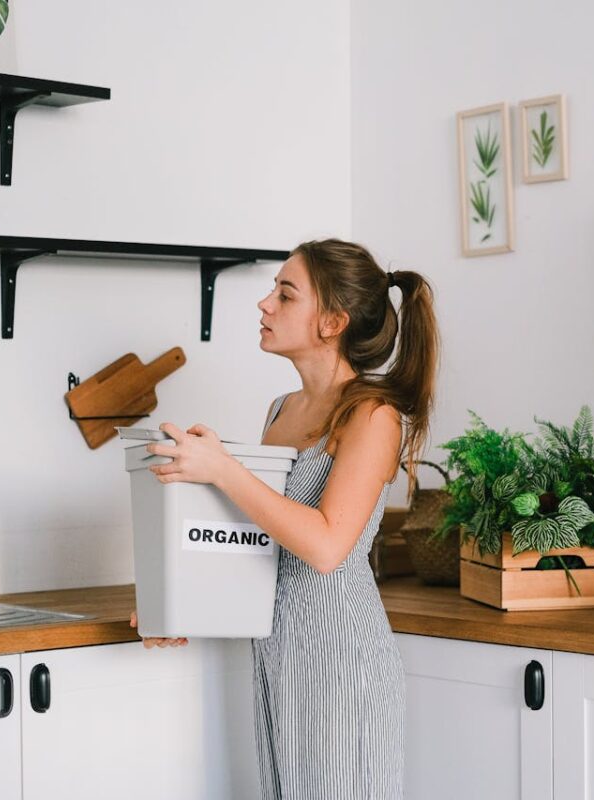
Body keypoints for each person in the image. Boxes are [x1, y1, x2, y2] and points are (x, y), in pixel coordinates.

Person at [127, 238, 439, 799]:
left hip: (342, 662)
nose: (264, 304)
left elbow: (324, 547)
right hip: (280, 656)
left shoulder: (374, 415)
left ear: (332, 321)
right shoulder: (282, 410)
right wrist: (178, 602)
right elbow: (262, 541)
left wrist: (223, 468)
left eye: (286, 294)